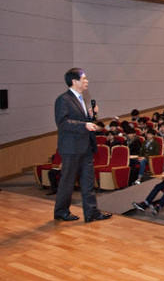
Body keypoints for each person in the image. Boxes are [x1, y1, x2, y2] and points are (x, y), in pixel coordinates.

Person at [53, 68, 111, 222]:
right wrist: (84, 124)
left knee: (88, 181)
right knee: (68, 181)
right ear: (74, 81)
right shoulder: (63, 99)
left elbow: (80, 120)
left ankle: (91, 212)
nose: (87, 81)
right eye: (84, 78)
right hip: (71, 148)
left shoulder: (81, 99)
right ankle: (61, 211)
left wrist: (90, 116)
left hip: (86, 147)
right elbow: (62, 122)